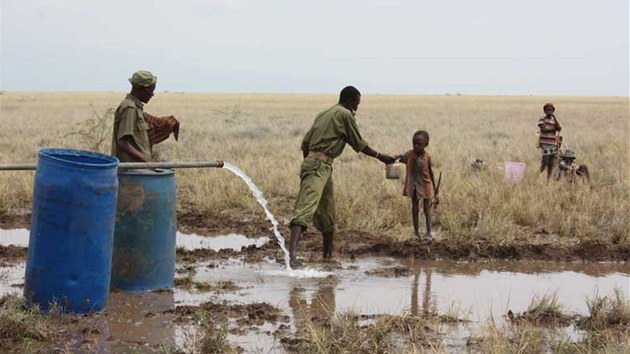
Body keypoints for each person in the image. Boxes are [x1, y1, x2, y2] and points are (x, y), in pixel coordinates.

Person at [288, 86, 396, 267]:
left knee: (327, 212)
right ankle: (291, 257)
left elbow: (305, 143)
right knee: (304, 209)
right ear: (349, 101)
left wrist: (311, 161)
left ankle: (327, 257)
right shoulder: (345, 115)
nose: (357, 108)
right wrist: (381, 157)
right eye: (356, 104)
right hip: (318, 167)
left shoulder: (324, 113)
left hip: (321, 166)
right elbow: (359, 144)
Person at [111, 70, 180, 162]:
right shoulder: (129, 108)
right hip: (131, 171)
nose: (152, 94)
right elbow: (122, 143)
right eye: (151, 90)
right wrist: (149, 163)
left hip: (139, 169)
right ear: (142, 89)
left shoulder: (136, 108)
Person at [396, 130, 439, 242]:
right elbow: (400, 158)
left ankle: (429, 233)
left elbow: (430, 172)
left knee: (426, 209)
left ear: (426, 145)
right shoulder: (409, 154)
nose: (416, 146)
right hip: (413, 186)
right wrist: (393, 159)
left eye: (419, 144)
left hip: (425, 185)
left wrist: (435, 189)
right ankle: (416, 233)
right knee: (415, 208)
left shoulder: (427, 157)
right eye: (414, 143)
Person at [537, 103, 562, 181]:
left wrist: (554, 117)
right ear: (544, 111)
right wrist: (553, 129)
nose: (549, 112)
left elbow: (559, 128)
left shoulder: (553, 120)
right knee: (545, 162)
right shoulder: (542, 119)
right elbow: (543, 129)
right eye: (547, 110)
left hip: (553, 144)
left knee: (551, 163)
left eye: (551, 110)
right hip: (545, 144)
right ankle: (536, 176)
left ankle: (548, 180)